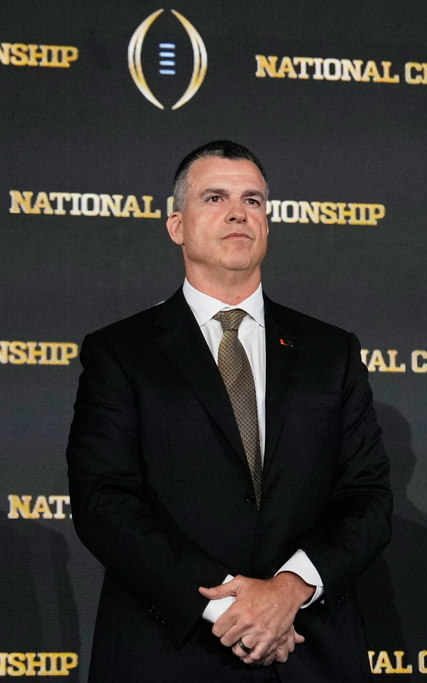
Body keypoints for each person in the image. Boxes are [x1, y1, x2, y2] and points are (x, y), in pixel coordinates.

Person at [66, 140, 392, 682]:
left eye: (254, 200)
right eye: (214, 197)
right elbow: (104, 501)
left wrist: (289, 591)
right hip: (174, 651)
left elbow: (367, 498)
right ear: (177, 225)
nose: (239, 211)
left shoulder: (330, 353)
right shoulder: (121, 352)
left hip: (308, 650)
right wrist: (231, 610)